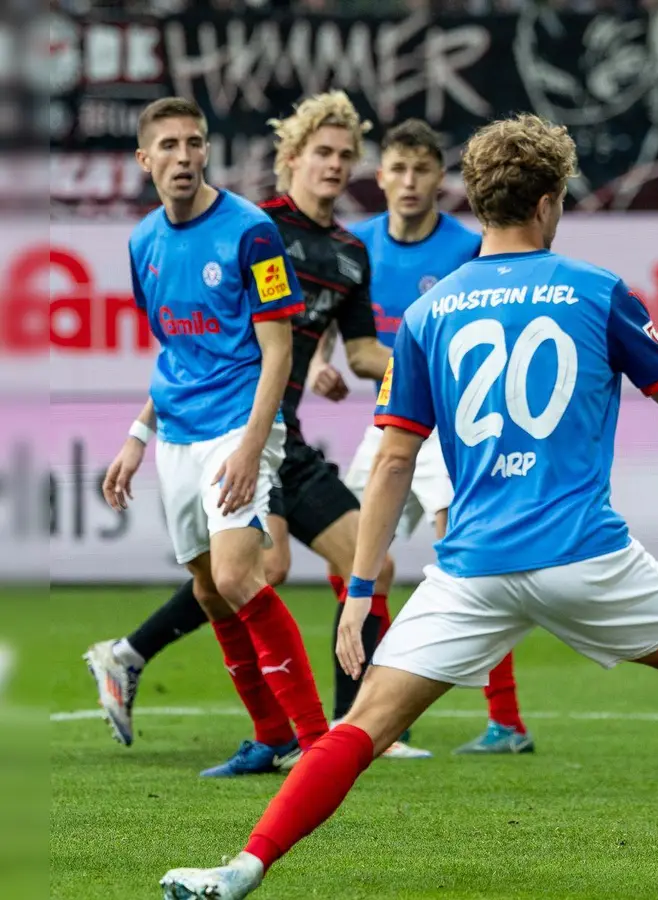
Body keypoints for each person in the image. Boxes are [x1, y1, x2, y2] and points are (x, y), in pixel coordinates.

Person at [159, 113, 658, 900]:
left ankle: (241, 870)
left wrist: (363, 589)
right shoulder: (597, 292)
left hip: (472, 568)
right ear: (547, 202)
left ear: (476, 200)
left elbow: (396, 459)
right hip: (584, 554)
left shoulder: (432, 313)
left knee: (362, 727)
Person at [83, 91, 430, 770]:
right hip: (203, 428)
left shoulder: (329, 250)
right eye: (321, 153)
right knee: (224, 582)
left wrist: (428, 363)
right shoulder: (180, 234)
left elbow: (346, 352)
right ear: (291, 158)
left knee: (316, 565)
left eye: (344, 156)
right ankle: (259, 726)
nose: (334, 166)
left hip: (259, 427)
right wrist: (138, 431)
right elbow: (180, 351)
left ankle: (328, 734)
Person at [92, 97, 329, 777]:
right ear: (145, 160)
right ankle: (271, 735)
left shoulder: (252, 233)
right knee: (207, 588)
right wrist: (139, 434)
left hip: (240, 424)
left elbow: (277, 351)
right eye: (167, 146)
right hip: (179, 435)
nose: (184, 157)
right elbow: (176, 355)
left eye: (194, 143)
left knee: (236, 574)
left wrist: (255, 445)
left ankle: (317, 742)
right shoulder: (142, 243)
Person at [329, 118, 532, 755]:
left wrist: (392, 360)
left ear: (438, 180)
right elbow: (333, 328)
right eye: (399, 169)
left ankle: (505, 721)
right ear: (380, 175)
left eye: (423, 170)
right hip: (393, 425)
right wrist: (314, 362)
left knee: (465, 558)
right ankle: (374, 713)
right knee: (353, 554)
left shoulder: (466, 249)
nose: (410, 182)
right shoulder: (356, 246)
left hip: (450, 428)